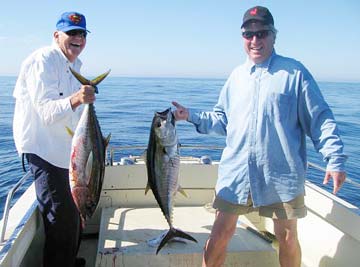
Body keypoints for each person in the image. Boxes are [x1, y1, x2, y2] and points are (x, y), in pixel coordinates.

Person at [172, 6, 347, 267]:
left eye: (262, 33)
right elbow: (222, 121)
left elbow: (320, 118)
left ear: (274, 36)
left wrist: (334, 159)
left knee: (287, 236)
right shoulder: (236, 77)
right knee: (220, 234)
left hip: (281, 174)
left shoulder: (295, 73)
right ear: (243, 37)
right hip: (237, 174)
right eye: (248, 34)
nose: (255, 40)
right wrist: (191, 115)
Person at [13, 11, 95, 267]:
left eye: (82, 34)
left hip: (67, 154)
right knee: (59, 219)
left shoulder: (75, 67)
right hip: (45, 153)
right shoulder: (43, 60)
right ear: (56, 35)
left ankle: (71, 260)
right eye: (71, 33)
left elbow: (73, 117)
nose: (78, 39)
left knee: (75, 216)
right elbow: (46, 112)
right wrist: (78, 99)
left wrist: (85, 104)